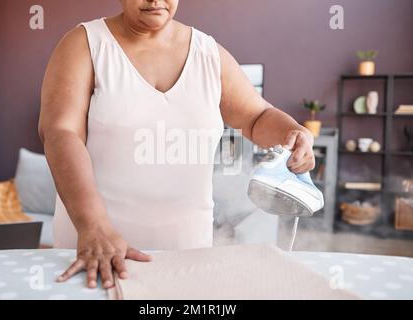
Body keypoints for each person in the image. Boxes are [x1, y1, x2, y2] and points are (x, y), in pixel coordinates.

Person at [38, 0, 315, 289]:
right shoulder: (85, 44)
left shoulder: (208, 54)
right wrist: (92, 225)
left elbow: (257, 117)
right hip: (95, 249)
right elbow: (60, 133)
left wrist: (292, 133)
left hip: (188, 252)